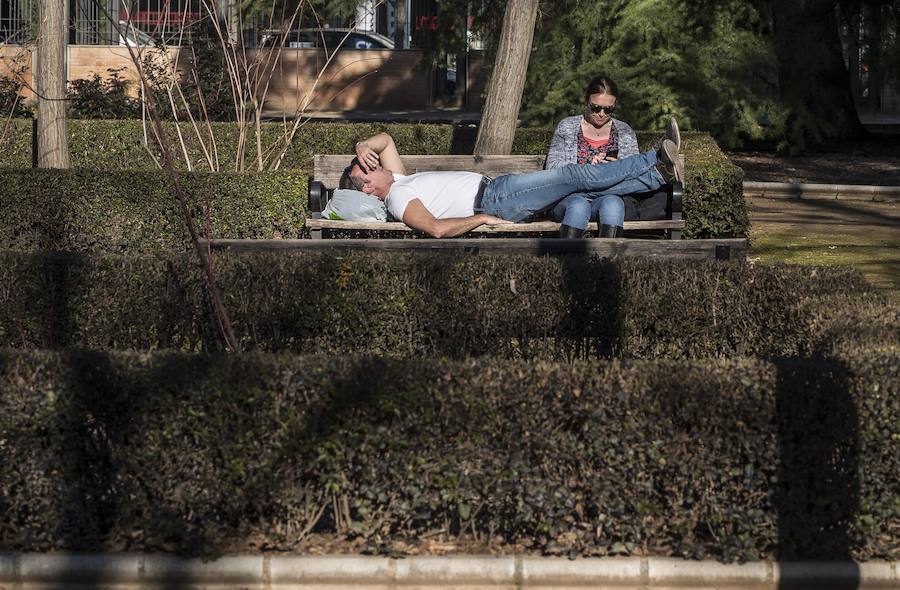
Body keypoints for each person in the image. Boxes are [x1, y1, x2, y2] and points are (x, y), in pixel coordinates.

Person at [338, 129, 683, 239]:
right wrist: (481, 220)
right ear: (368, 188)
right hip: (494, 202)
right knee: (573, 175)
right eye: (366, 168)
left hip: (498, 189)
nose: (373, 163)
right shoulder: (398, 198)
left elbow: (385, 140)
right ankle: (654, 159)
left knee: (582, 188)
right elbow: (435, 229)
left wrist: (362, 146)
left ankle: (656, 176)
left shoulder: (399, 179)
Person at [546, 75, 680, 239]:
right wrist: (588, 168)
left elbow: (633, 180)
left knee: (614, 203)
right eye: (596, 108)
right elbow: (551, 169)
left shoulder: (624, 131)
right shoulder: (567, 127)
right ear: (586, 101)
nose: (601, 114)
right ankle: (568, 260)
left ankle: (607, 262)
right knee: (579, 205)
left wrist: (618, 166)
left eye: (608, 110)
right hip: (570, 196)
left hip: (607, 195)